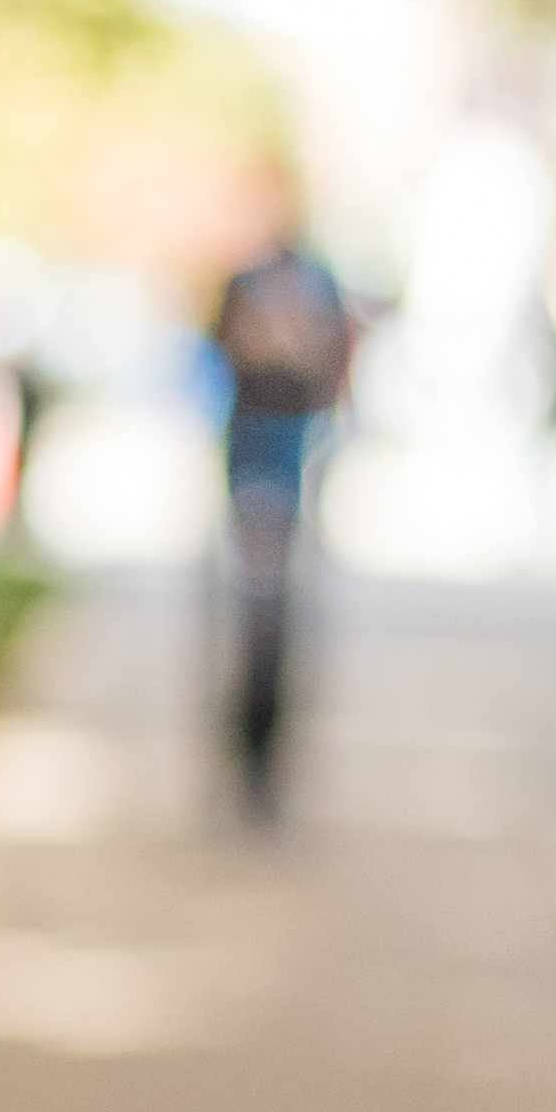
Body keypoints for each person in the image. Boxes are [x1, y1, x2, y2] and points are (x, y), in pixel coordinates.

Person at [212, 192, 357, 819]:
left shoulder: (314, 285)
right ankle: (245, 752)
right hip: (253, 464)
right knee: (251, 612)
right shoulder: (247, 285)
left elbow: (335, 361)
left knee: (280, 617)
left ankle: (266, 754)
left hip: (293, 459)